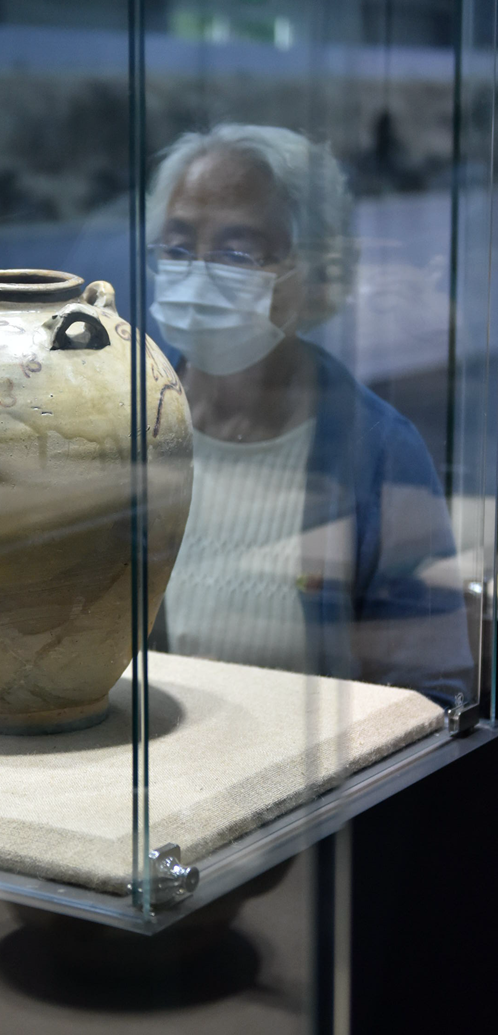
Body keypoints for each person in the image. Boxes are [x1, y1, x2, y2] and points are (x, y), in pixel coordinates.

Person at [147, 123, 473, 707]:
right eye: (176, 248)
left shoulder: (378, 450)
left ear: (315, 274)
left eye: (237, 252)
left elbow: (433, 694)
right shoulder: (126, 429)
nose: (196, 273)